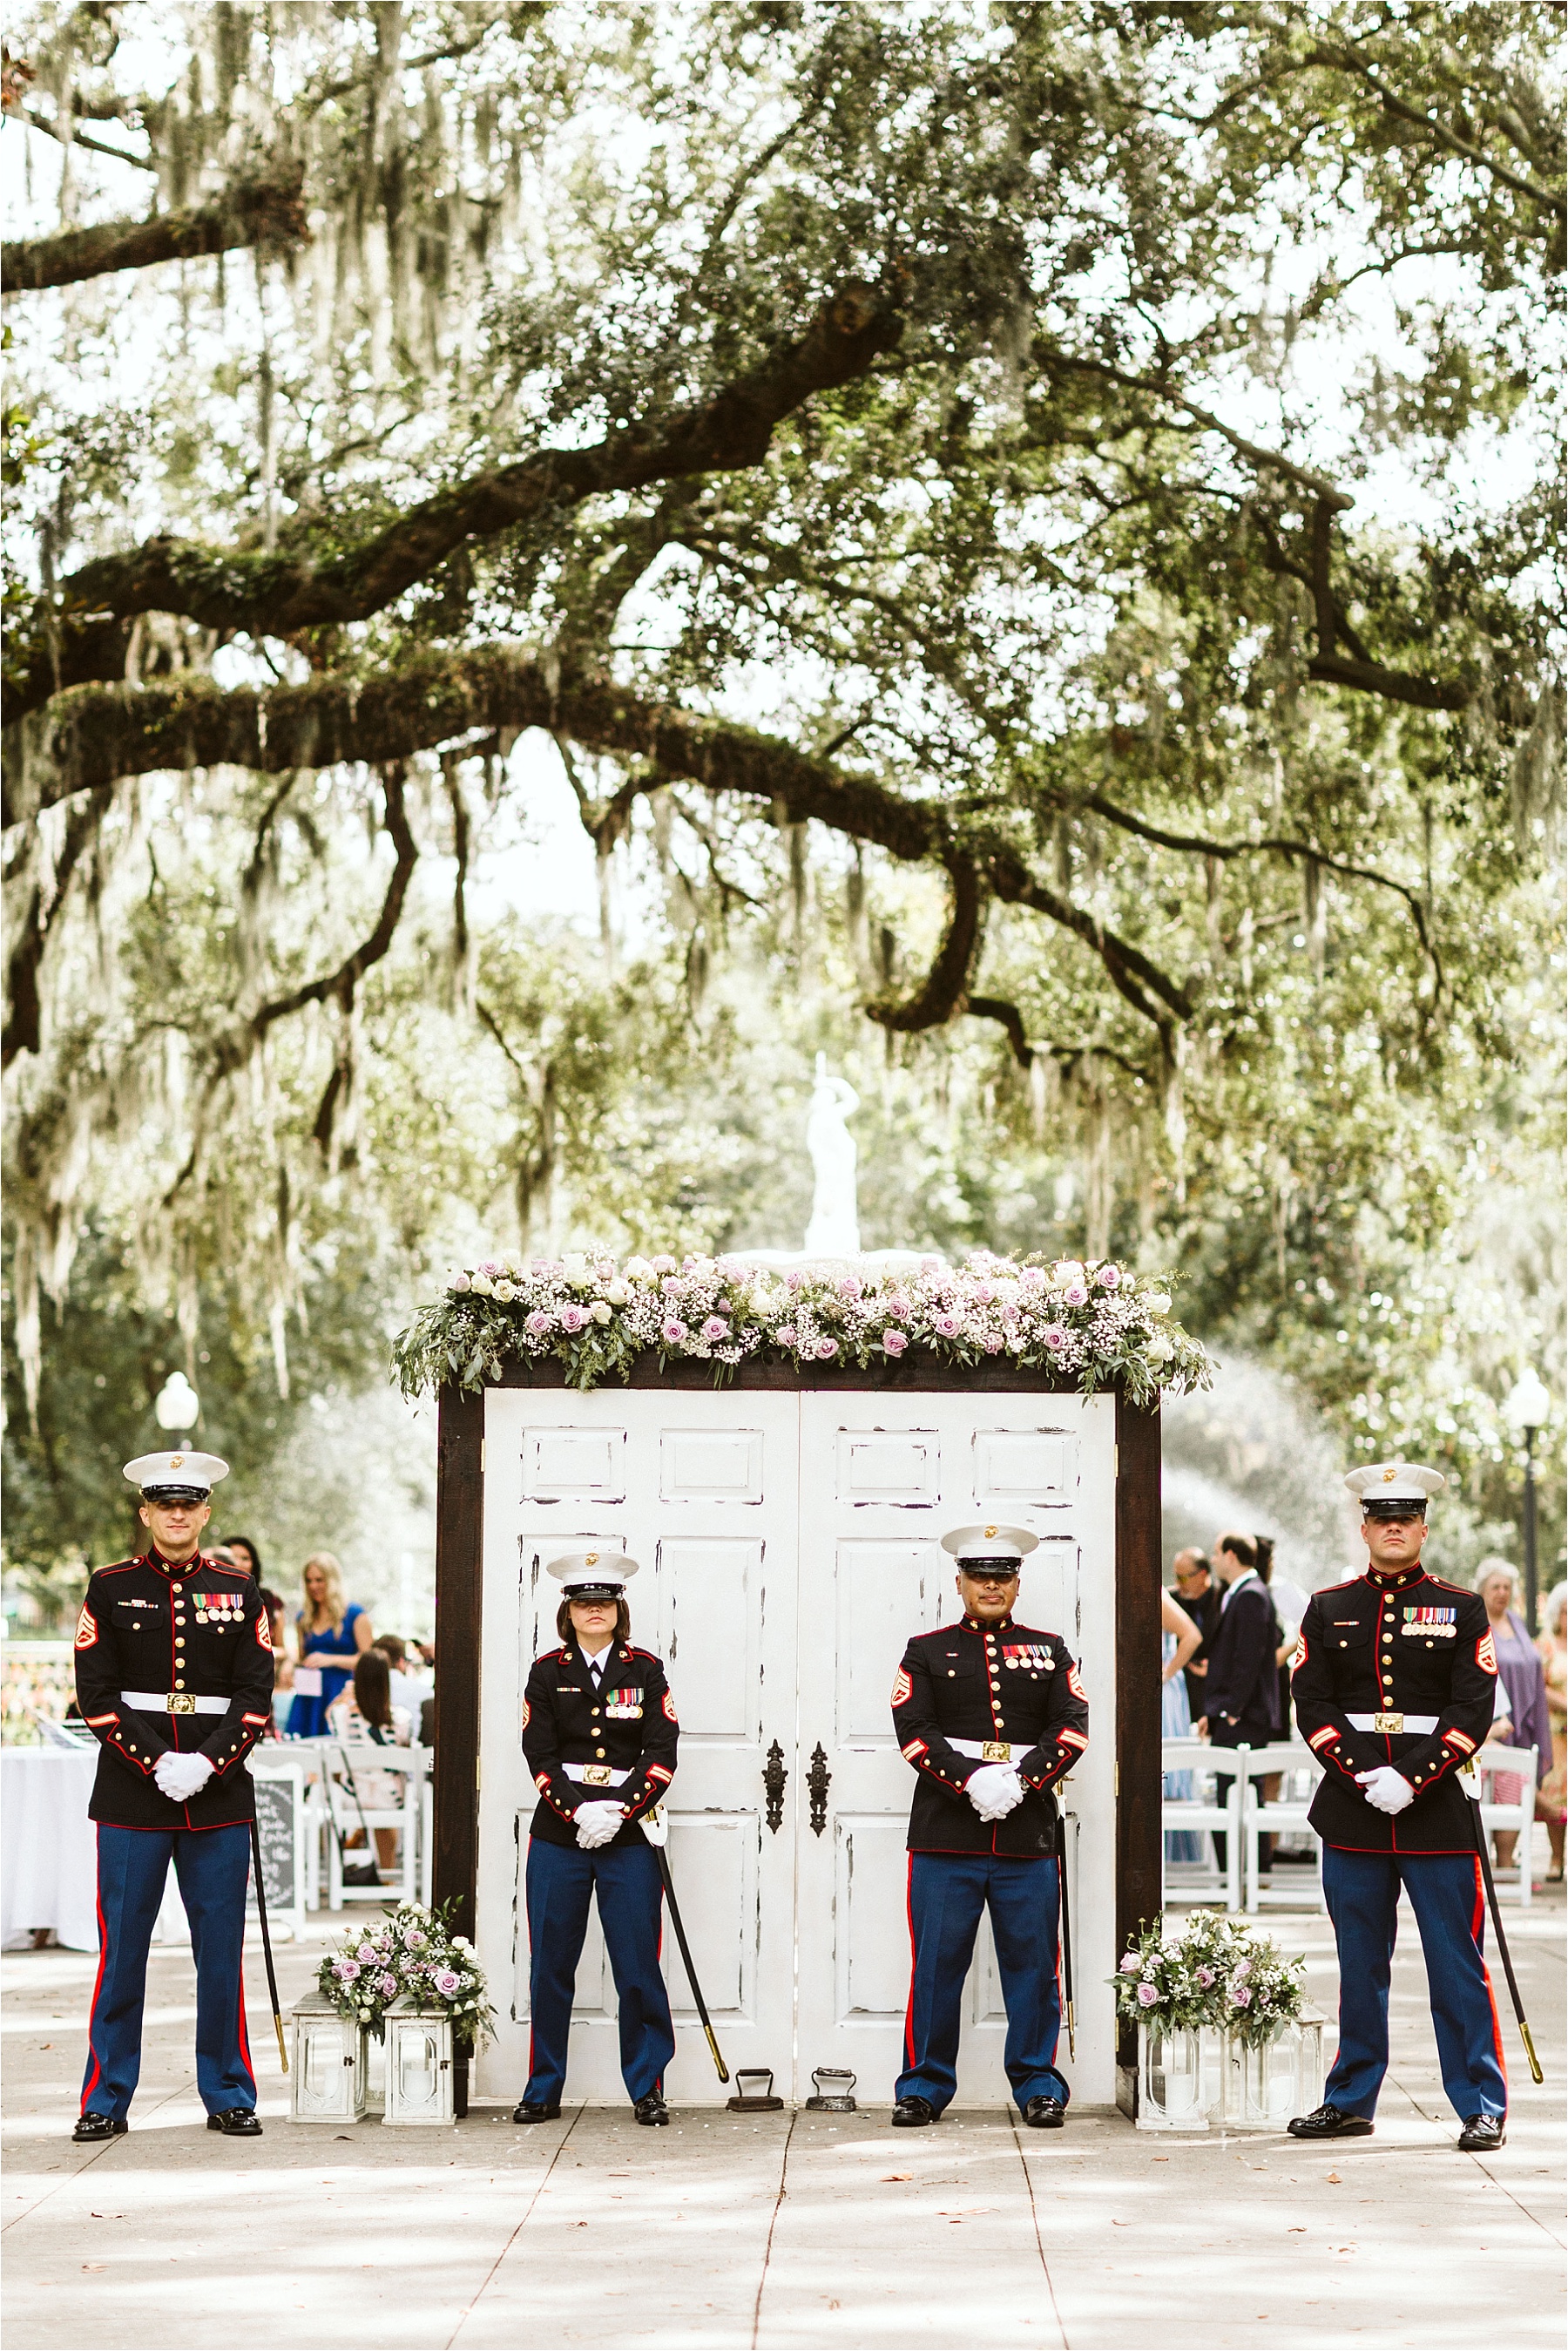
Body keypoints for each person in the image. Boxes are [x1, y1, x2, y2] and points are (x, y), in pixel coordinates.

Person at [1288, 1460, 1506, 2153]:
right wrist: (1363, 1776)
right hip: (1353, 1814)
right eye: (1382, 1518)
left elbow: (1473, 1710)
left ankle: (1479, 2102)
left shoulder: (1463, 1608)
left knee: (1455, 1962)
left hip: (1436, 1811)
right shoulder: (1327, 1608)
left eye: (1405, 1518)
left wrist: (1411, 1778)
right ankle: (1351, 2098)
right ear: (1364, 1528)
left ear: (1423, 1528)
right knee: (1359, 1965)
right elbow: (1313, 1705)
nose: (1393, 1528)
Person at [71, 1449, 274, 2143]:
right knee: (122, 1950)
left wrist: (207, 1763)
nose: (179, 1514)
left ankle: (227, 2090)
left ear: (206, 1513)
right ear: (147, 1514)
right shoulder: (109, 1587)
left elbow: (255, 1694)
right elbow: (95, 1697)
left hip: (216, 1798)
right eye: (166, 1505)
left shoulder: (240, 1589)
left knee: (219, 1953)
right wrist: (158, 1762)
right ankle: (105, 2096)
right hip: (132, 1796)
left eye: (190, 1504)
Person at [888, 1522, 1090, 2131]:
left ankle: (1037, 2084)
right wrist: (972, 1779)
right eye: (980, 1576)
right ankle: (923, 2085)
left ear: (1017, 1584)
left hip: (1027, 1839)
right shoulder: (925, 1650)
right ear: (960, 1583)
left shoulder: (1050, 1649)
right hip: (946, 1836)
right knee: (936, 1966)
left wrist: (1022, 1780)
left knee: (1032, 1966)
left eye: (1002, 1577)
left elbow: (1072, 1726)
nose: (991, 1586)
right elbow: (914, 1731)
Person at [513, 1549, 679, 2128]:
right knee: (550, 1965)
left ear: (618, 1608)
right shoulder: (547, 1671)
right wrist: (579, 1812)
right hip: (560, 1836)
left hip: (629, 1839)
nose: (594, 1610)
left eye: (604, 1601)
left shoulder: (646, 1670)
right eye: (584, 1602)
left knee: (637, 1966)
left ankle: (647, 2086)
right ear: (569, 1610)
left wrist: (620, 1811)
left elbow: (661, 1754)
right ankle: (542, 2085)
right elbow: (540, 1753)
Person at [1195, 1532, 1282, 1873]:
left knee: (1238, 1796)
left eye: (1217, 1554)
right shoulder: (1242, 1593)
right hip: (1234, 1713)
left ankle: (1244, 1873)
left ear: (1231, 1555)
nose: (1214, 1561)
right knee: (1232, 1794)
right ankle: (1238, 1872)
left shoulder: (1251, 1595)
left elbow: (1248, 1659)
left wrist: (1230, 1710)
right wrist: (1213, 1713)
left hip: (1243, 1716)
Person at [1473, 1558, 1551, 1876]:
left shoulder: (1516, 1623)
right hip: (1491, 1720)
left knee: (1515, 1790)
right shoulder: (1476, 1623)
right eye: (1496, 1587)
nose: (1502, 1593)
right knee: (1497, 1790)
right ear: (1482, 1591)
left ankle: (1507, 1862)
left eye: (1507, 1587)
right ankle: (1489, 1869)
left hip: (1525, 1714)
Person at [328, 1648, 412, 1873]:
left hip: (352, 1797)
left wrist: (346, 1698)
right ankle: (388, 1875)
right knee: (387, 1791)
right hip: (390, 1798)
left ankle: (349, 1861)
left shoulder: (342, 1716)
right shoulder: (401, 1719)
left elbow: (330, 1717)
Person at [286, 1554, 374, 1736]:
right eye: (309, 1581)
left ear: (332, 1580)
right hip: (308, 1695)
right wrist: (291, 1665)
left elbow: (369, 1661)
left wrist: (330, 1659)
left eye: (320, 1580)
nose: (313, 1586)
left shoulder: (355, 1615)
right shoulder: (303, 1618)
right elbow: (303, 1658)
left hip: (339, 1693)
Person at [1161, 1584, 1203, 1866]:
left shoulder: (1156, 1593)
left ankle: (1177, 1865)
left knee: (1170, 1777)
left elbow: (1191, 1636)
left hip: (1164, 1694)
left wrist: (1165, 1672)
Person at [1536, 1582, 1567, 1881]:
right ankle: (1556, 1860)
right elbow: (1539, 1686)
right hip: (1557, 1731)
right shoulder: (1544, 1644)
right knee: (1556, 1793)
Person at [1170, 1547, 1221, 1720]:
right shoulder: (1172, 1599)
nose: (1178, 1583)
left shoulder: (1224, 1599)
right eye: (1176, 1576)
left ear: (1202, 1574)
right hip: (1182, 1691)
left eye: (1182, 1577)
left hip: (1215, 1693)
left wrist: (1215, 1667)